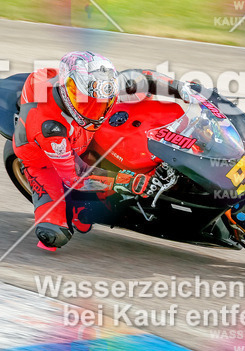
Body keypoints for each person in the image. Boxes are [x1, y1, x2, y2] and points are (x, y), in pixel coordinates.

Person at [13, 51, 194, 250]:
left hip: (86, 134)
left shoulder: (97, 88)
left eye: (100, 103)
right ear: (67, 90)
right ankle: (75, 208)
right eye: (85, 101)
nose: (94, 110)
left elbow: (142, 79)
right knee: (54, 235)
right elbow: (75, 176)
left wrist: (181, 89)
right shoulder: (51, 129)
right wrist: (131, 182)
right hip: (45, 161)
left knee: (143, 106)